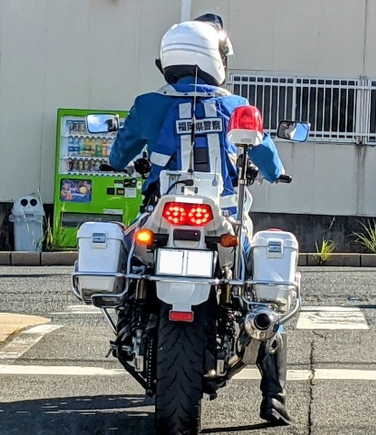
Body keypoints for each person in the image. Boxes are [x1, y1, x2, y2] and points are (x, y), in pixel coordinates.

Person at [108, 13, 292, 426]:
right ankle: (274, 397)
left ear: (168, 60)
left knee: (131, 269)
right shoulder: (239, 108)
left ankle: (129, 328)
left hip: (161, 216)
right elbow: (268, 159)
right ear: (216, 59)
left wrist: (120, 160)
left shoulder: (149, 105)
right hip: (223, 220)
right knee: (261, 294)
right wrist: (276, 172)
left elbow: (118, 155)